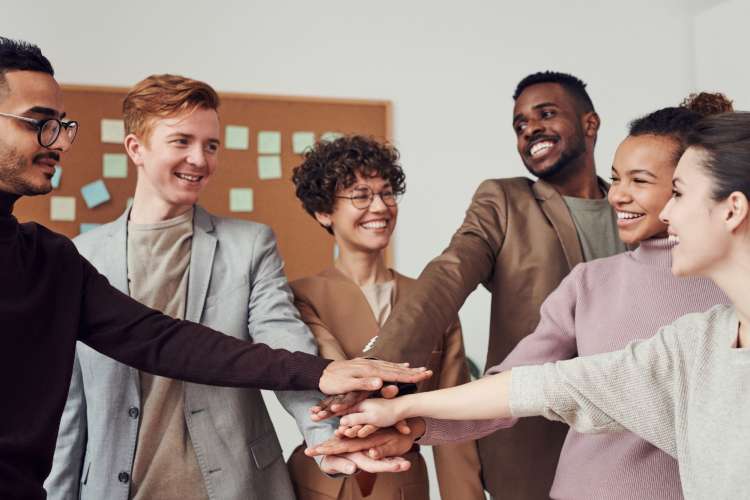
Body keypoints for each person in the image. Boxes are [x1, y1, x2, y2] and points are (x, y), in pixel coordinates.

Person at [0, 37, 429, 500]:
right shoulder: (82, 252)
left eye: (212, 145)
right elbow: (72, 412)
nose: (199, 159)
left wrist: (318, 392)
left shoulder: (52, 260)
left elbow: (167, 339)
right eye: (39, 124)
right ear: (136, 148)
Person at [311, 110, 750, 500]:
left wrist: (401, 410)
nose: (616, 195)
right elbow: (533, 384)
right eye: (616, 179)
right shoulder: (650, 315)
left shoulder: (714, 309)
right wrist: (405, 415)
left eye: (650, 184)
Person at [314, 70, 626, 499]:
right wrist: (380, 366)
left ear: (589, 123)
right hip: (533, 444)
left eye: (545, 114)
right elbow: (447, 276)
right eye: (519, 124)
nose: (530, 128)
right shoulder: (505, 201)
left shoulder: (636, 210)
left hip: (632, 439)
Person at [286, 136, 484, 500]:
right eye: (360, 195)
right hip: (319, 484)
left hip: (403, 483)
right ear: (323, 212)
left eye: (387, 192)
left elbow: (455, 414)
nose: (379, 206)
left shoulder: (431, 298)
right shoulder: (298, 297)